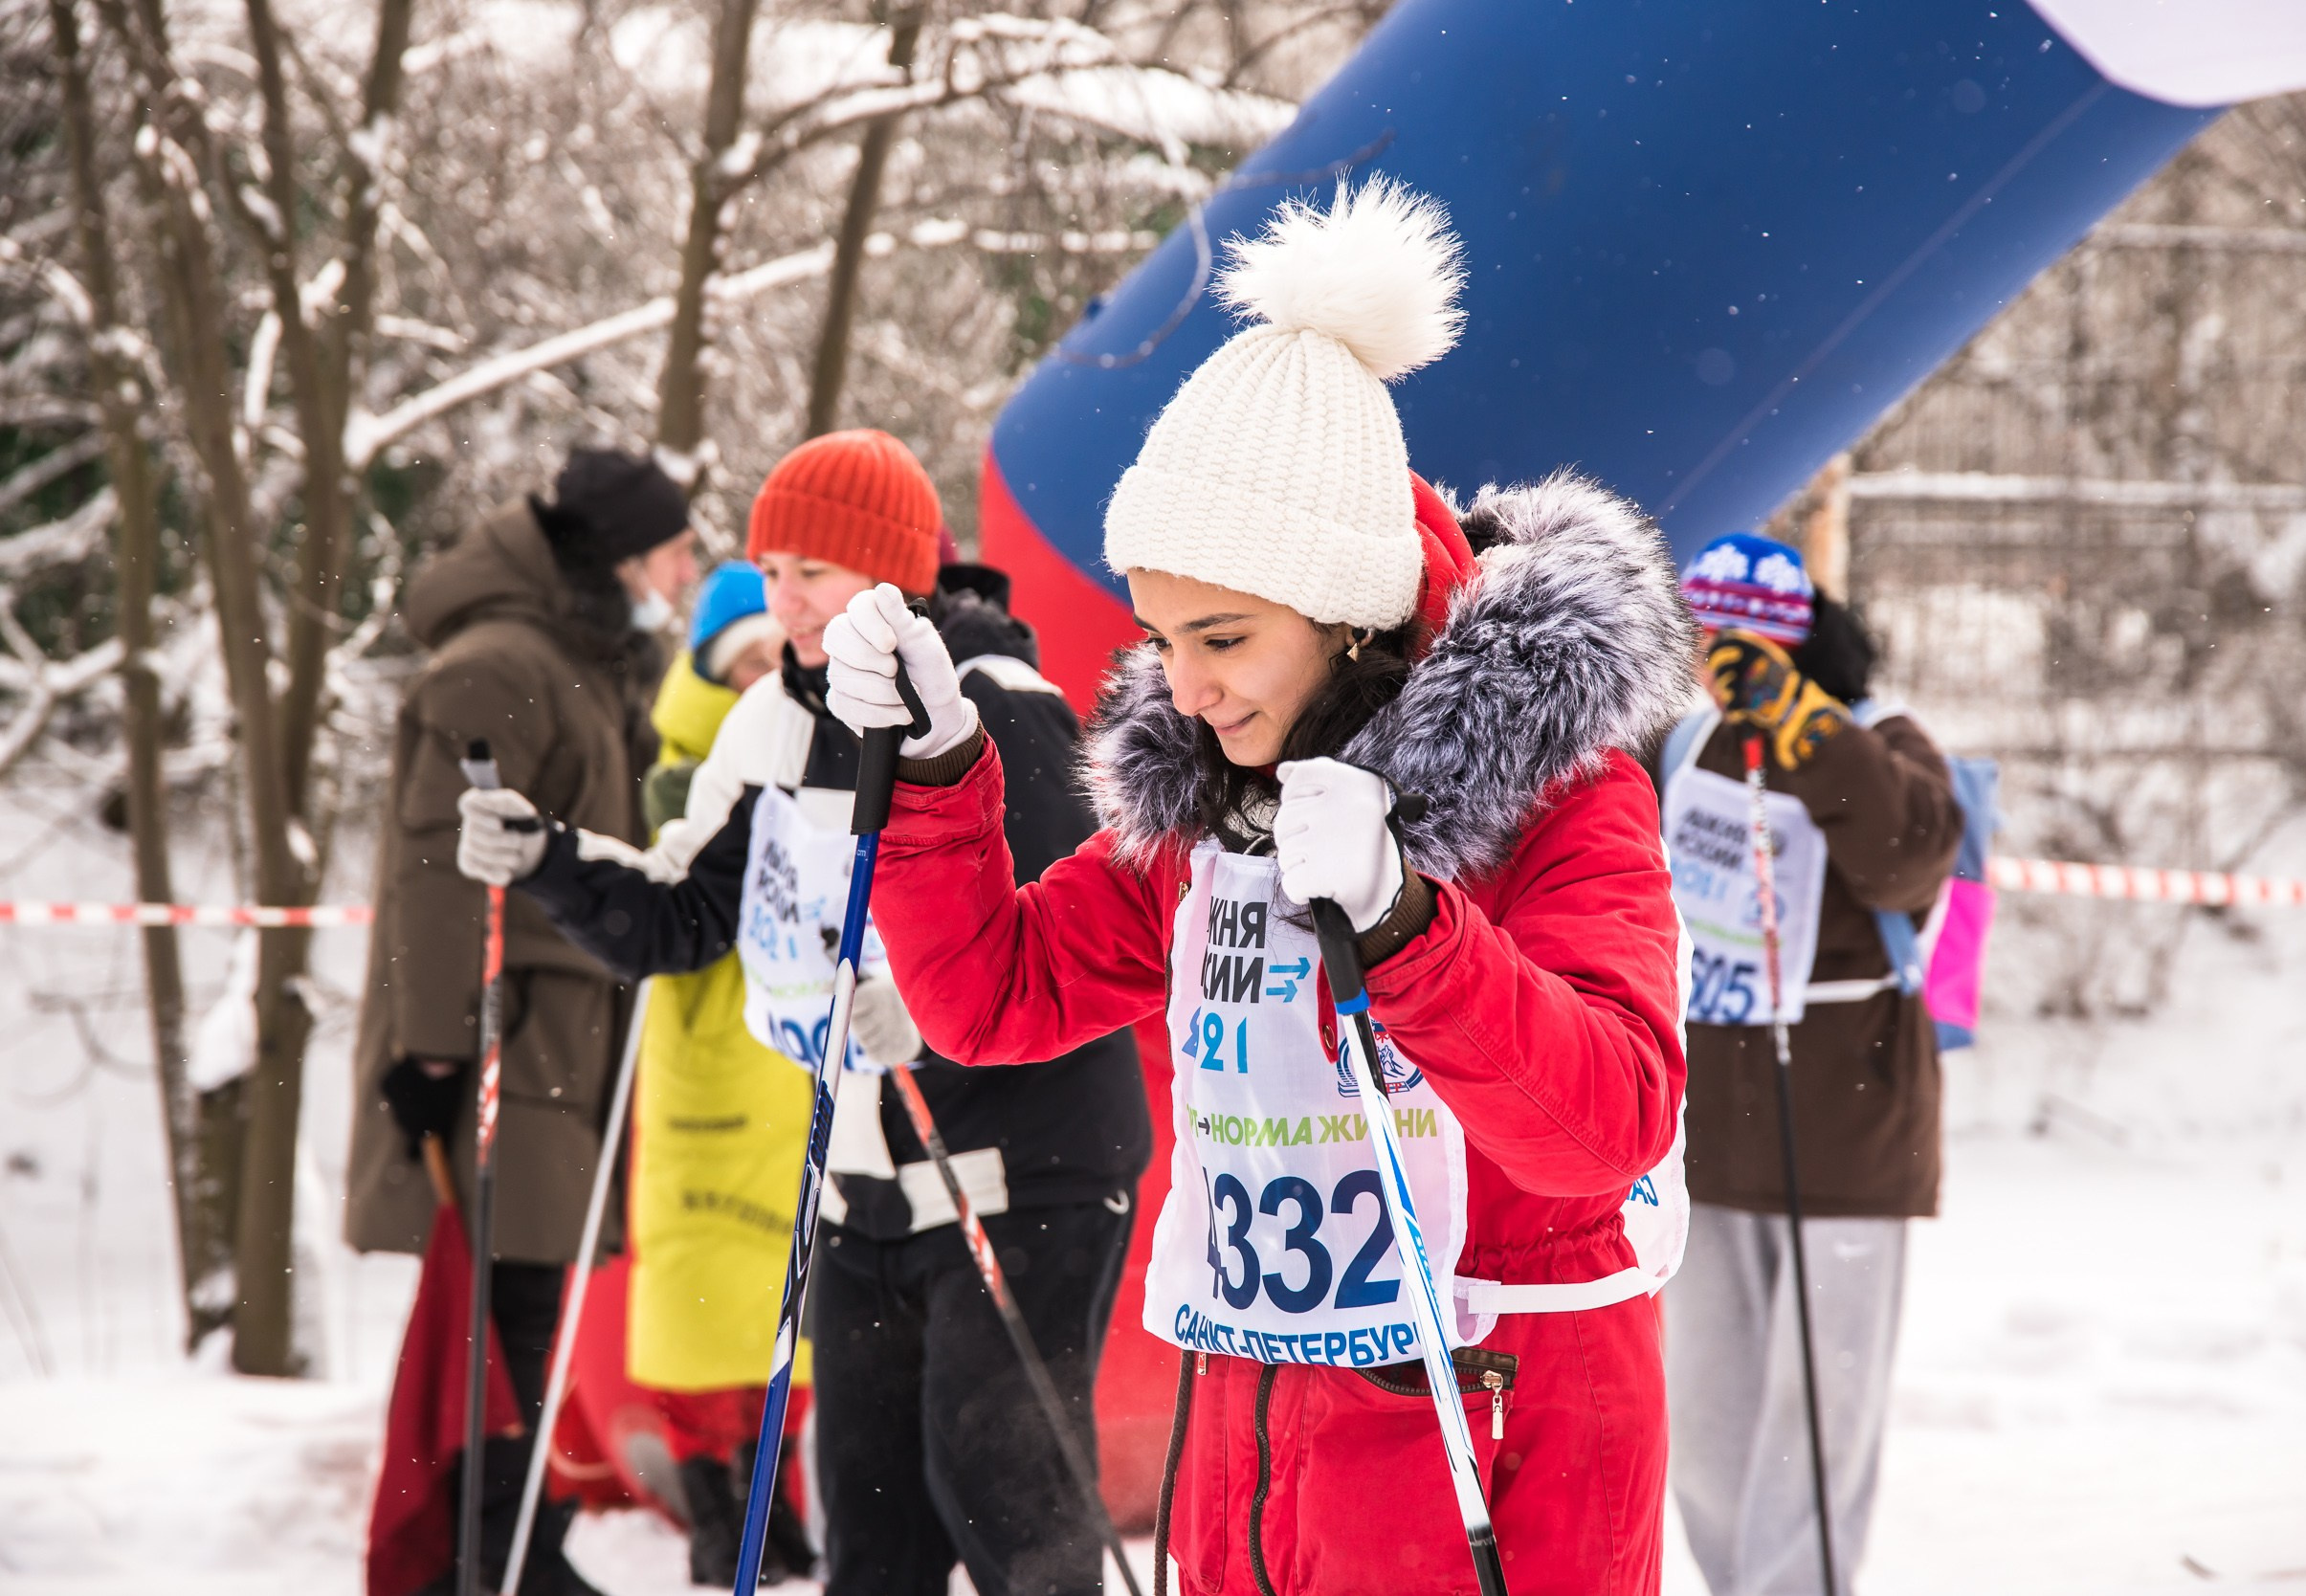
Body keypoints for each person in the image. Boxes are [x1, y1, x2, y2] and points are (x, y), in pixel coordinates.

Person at [818, 178, 1695, 1593]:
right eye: (1161, 636)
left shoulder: (1561, 793)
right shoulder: (1220, 803)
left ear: (1349, 611)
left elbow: (1607, 1124)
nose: (1184, 684)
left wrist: (1412, 928)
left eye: (1220, 636)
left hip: (1493, 1455)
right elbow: (996, 996)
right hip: (1253, 1447)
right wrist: (934, 776)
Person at [452, 428, 1151, 1596]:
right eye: (769, 571)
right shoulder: (774, 718)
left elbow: (1081, 935)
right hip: (860, 1195)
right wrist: (548, 859)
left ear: (889, 573)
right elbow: (679, 917)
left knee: (1007, 1507)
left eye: (812, 572)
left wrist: (932, 1015)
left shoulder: (993, 701)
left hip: (1018, 1177)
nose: (785, 601)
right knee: (872, 1536)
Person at [345, 446, 698, 1596]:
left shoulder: (578, 659)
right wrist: (433, 1046)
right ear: (621, 553)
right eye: (675, 549)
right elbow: (436, 866)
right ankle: (486, 1558)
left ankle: (508, 1549)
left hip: (563, 1040)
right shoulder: (502, 663)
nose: (686, 570)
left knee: (524, 1312)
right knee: (499, 1316)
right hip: (504, 1039)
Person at [1653, 532, 1963, 1596]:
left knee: (1816, 1416)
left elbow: (1909, 858)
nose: (1711, 660)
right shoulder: (1684, 743)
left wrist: (1802, 729)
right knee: (1705, 1416)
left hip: (1847, 1120)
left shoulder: (1880, 737)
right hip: (1702, 1132)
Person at [617, 560, 816, 1586]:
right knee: (701, 1304)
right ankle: (716, 1507)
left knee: (786, 1303)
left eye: (765, 661)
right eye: (736, 664)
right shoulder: (680, 776)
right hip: (712, 1066)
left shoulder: (817, 746)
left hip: (791, 1063)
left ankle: (773, 1503)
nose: (754, 683)